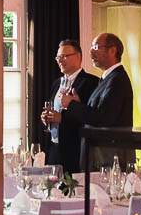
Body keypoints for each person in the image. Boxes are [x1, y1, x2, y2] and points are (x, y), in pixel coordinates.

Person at [40, 39, 99, 173]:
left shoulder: (91, 83)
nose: (60, 60)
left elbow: (91, 118)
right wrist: (46, 119)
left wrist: (61, 119)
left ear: (78, 57)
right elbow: (54, 113)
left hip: (75, 150)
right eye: (58, 57)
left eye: (64, 56)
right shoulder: (56, 83)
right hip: (54, 148)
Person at [61, 32, 133, 133]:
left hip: (110, 148)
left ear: (112, 51)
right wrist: (78, 104)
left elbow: (103, 118)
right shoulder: (108, 78)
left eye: (96, 47)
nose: (91, 51)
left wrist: (71, 104)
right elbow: (98, 113)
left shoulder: (117, 79)